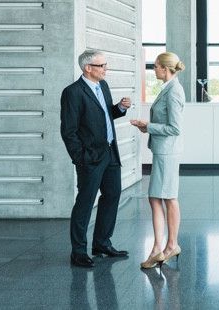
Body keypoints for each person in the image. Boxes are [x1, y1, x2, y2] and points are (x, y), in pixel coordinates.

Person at [60, 49, 131, 268]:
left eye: (105, 65)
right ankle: (79, 251)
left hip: (110, 152)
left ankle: (102, 243)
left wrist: (118, 108)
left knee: (112, 195)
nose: (106, 69)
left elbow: (104, 115)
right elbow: (68, 130)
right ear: (88, 68)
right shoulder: (73, 92)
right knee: (85, 202)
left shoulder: (103, 86)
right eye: (102, 66)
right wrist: (79, 158)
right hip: (89, 157)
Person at [130, 52, 185, 269]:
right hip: (165, 152)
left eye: (156, 67)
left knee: (159, 198)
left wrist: (148, 126)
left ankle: (161, 248)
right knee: (166, 198)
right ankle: (169, 246)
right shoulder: (170, 88)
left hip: (166, 153)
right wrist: (148, 127)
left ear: (165, 68)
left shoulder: (173, 92)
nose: (154, 70)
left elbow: (174, 127)